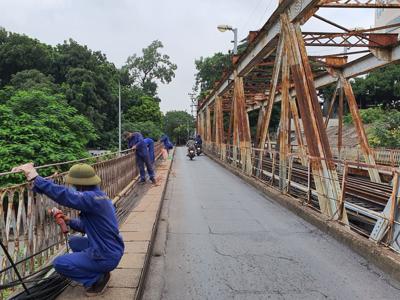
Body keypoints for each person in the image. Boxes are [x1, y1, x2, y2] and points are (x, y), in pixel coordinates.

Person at [11, 162, 124, 297]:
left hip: (106, 255)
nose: (73, 186)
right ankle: (98, 269)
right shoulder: (99, 196)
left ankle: (96, 279)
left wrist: (35, 177)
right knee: (74, 241)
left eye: (73, 184)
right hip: (112, 248)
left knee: (59, 263)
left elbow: (65, 195)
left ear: (80, 184)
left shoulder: (92, 199)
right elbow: (87, 227)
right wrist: (68, 221)